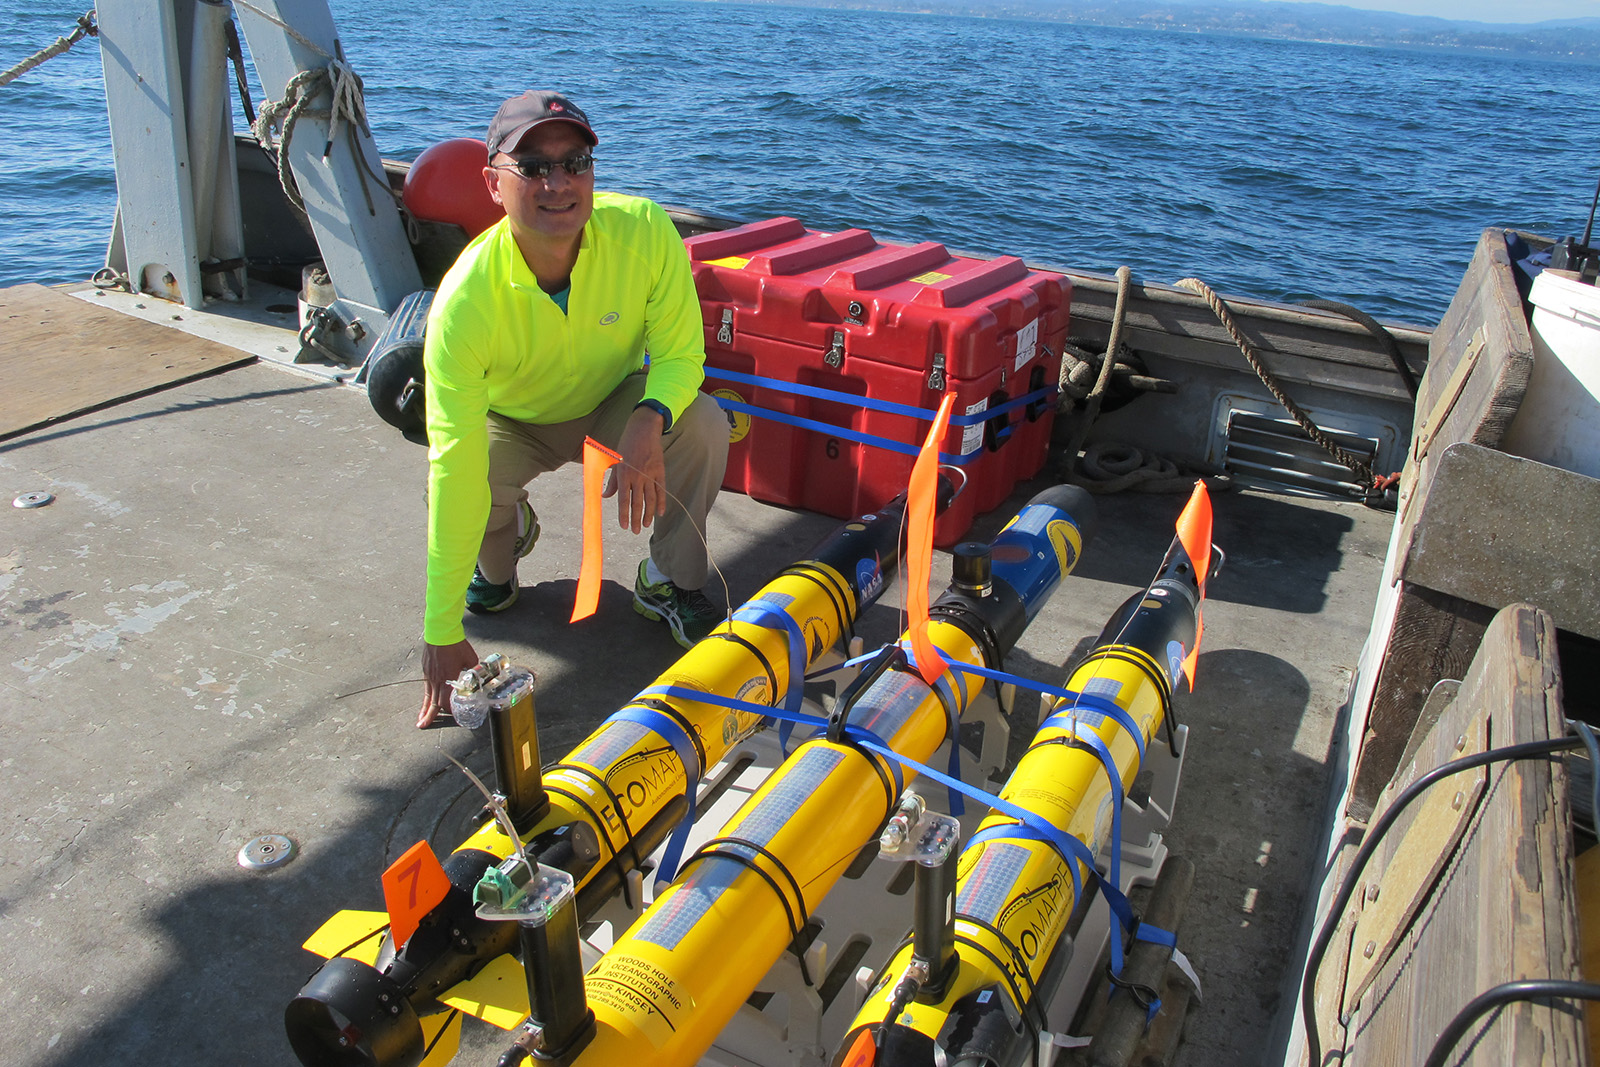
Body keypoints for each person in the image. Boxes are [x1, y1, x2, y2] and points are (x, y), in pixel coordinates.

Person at [417, 90, 729, 728]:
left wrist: (649, 419)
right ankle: (500, 558)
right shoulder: (463, 302)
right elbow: (452, 461)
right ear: (492, 183)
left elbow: (681, 356)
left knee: (700, 421)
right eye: (532, 167)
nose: (558, 182)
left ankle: (670, 580)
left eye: (576, 162)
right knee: (469, 501)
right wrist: (440, 627)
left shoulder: (645, 229)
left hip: (609, 402)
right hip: (511, 422)